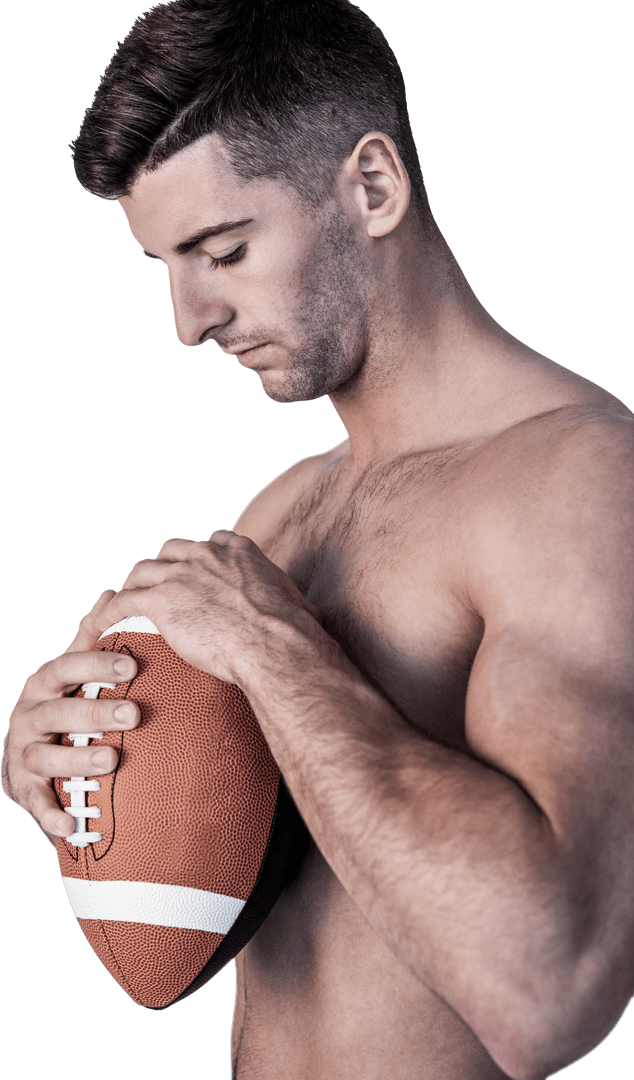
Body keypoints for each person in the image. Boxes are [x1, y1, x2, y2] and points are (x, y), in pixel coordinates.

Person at [2, 1, 633, 1076]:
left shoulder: (576, 483)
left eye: (225, 249)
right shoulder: (281, 510)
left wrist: (273, 652)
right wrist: (80, 778)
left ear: (372, 185)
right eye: (167, 264)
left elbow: (550, 990)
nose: (189, 320)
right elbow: (268, 912)